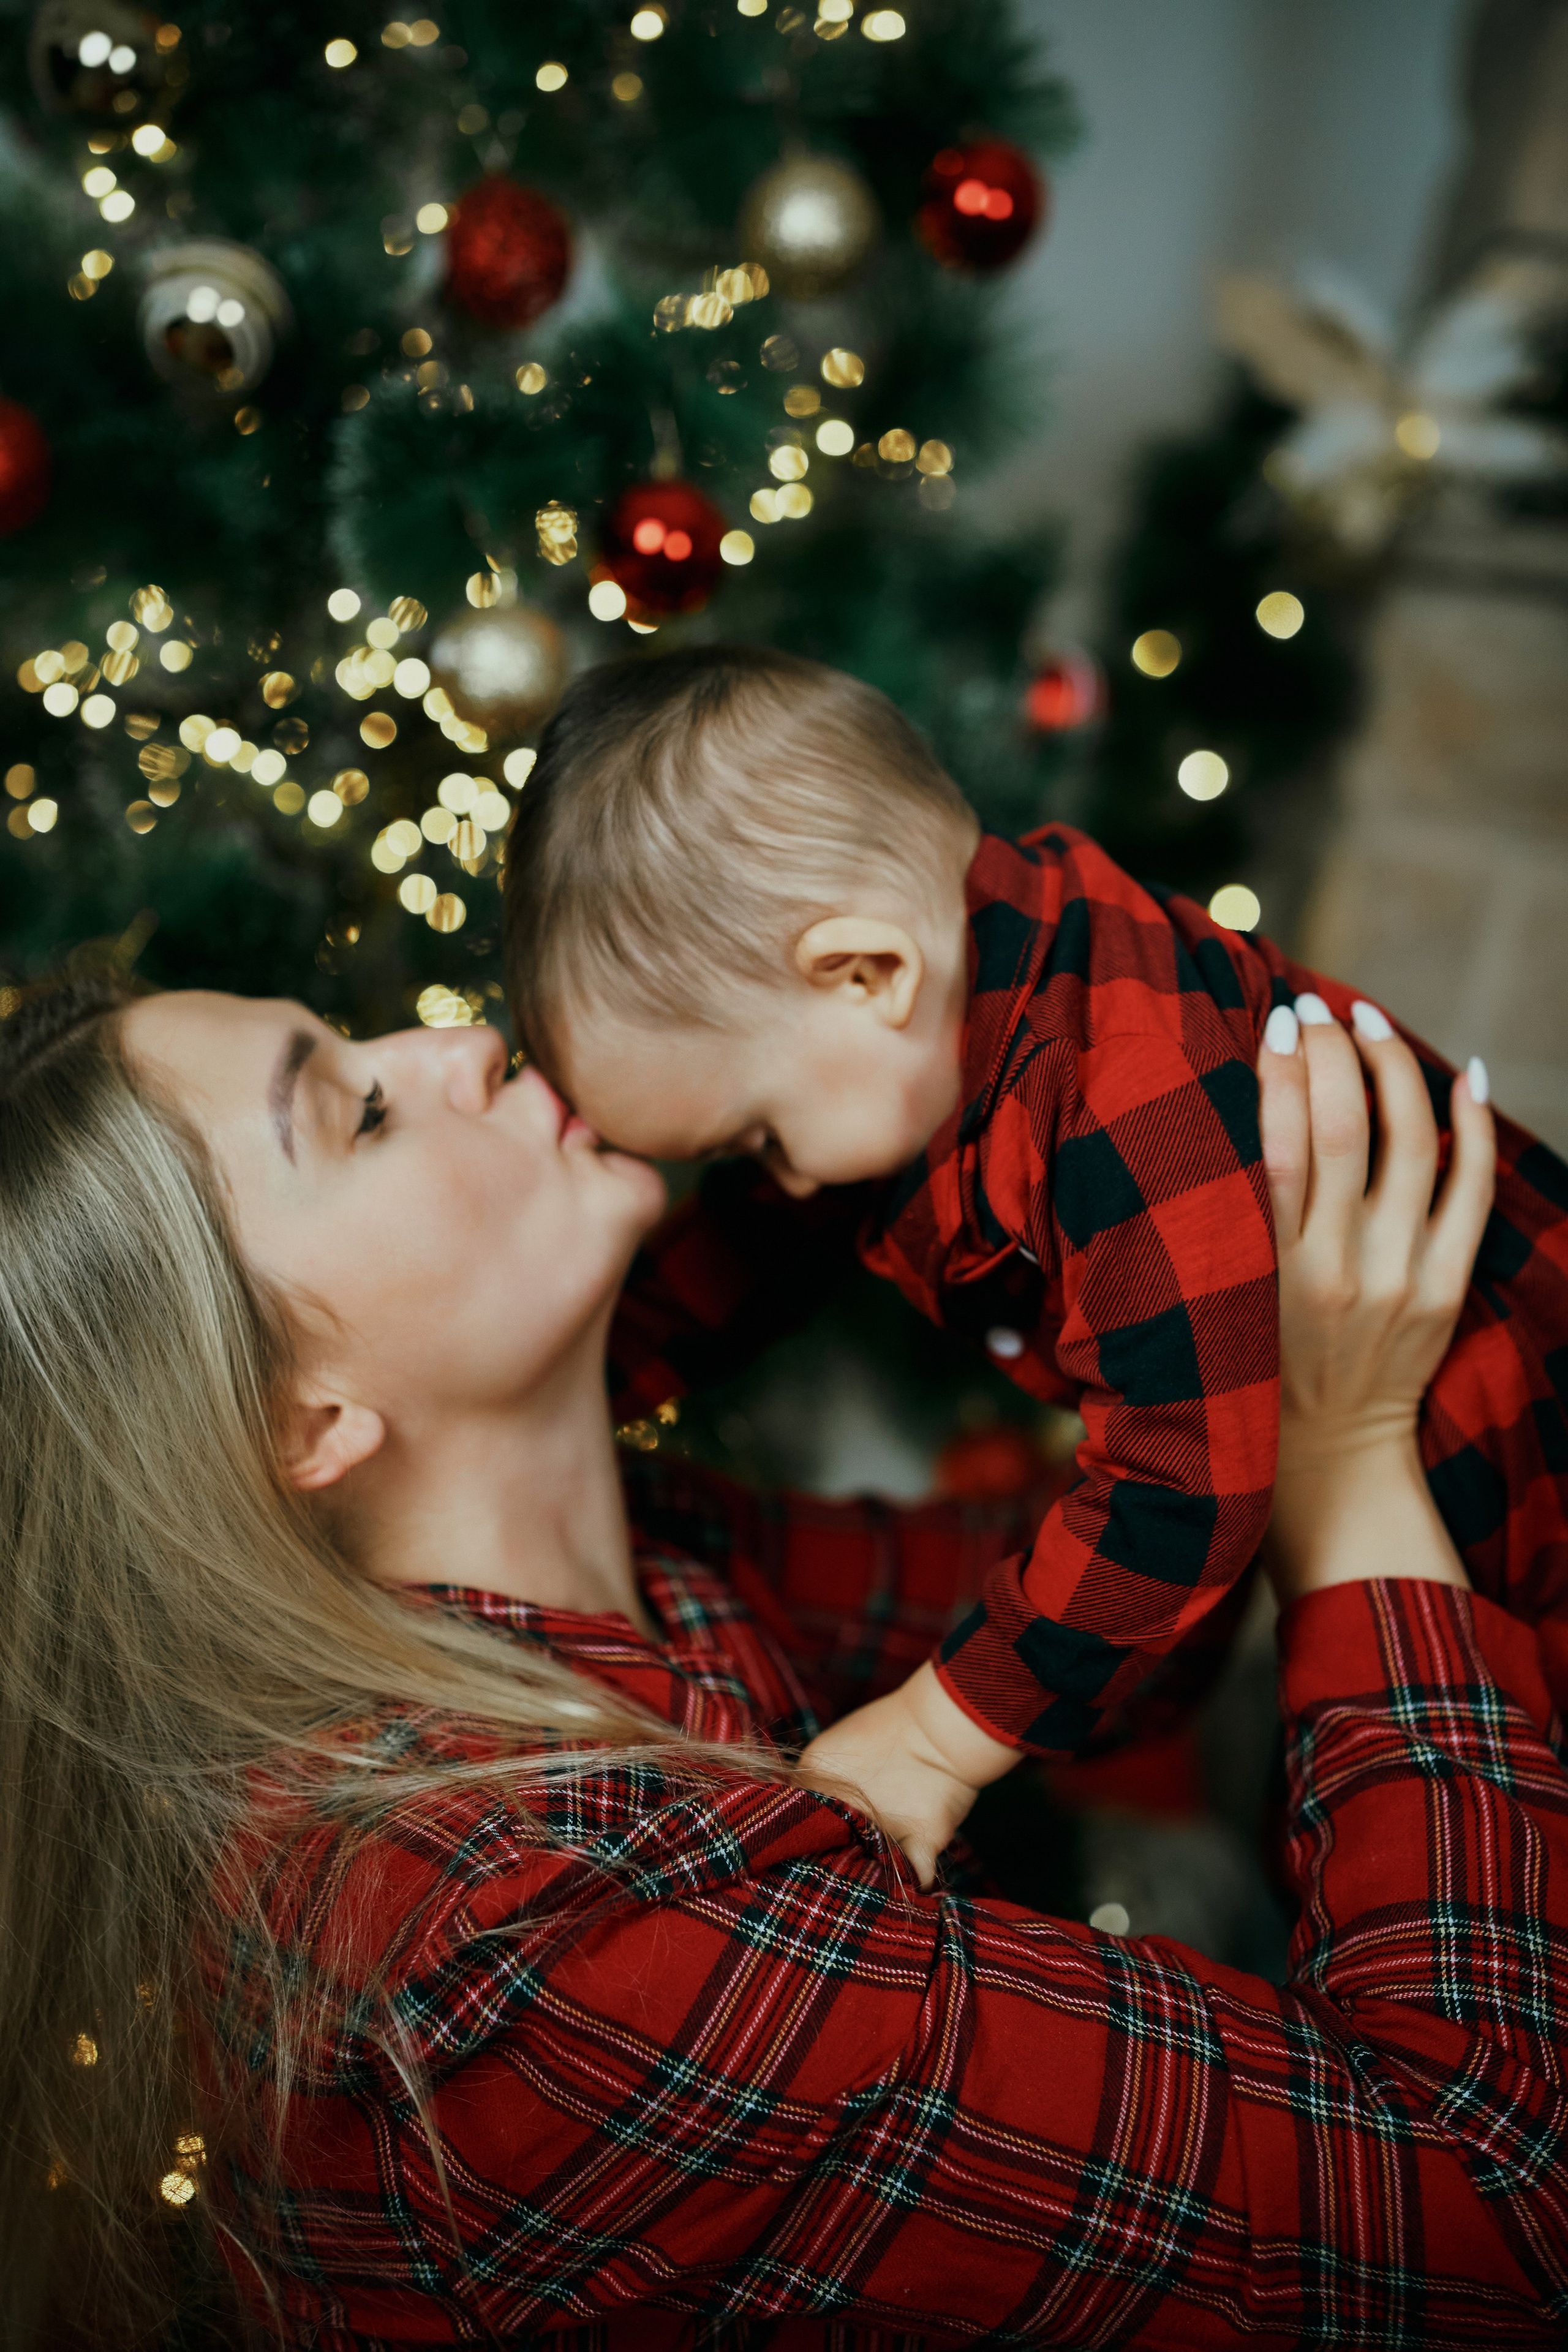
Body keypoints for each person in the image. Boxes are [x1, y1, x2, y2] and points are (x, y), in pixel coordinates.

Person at [2, 970, 1565, 2350]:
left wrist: (1194, 1339)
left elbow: (1123, 1648)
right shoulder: (524, 1972)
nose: (458, 1042)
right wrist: (1347, 1459)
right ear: (300, 1424)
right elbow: (1489, 2223)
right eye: (356, 1116)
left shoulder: (625, 1584)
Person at [502, 645, 1568, 1876]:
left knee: (1507, 1812)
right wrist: (580, 1377)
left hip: (1520, 1456)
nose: (777, 1175)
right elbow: (748, 1246)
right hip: (1411, 1488)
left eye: (759, 1134)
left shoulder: (1122, 1092)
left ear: (866, 976)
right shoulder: (928, 1023)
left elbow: (1180, 1486)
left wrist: (936, 1737)